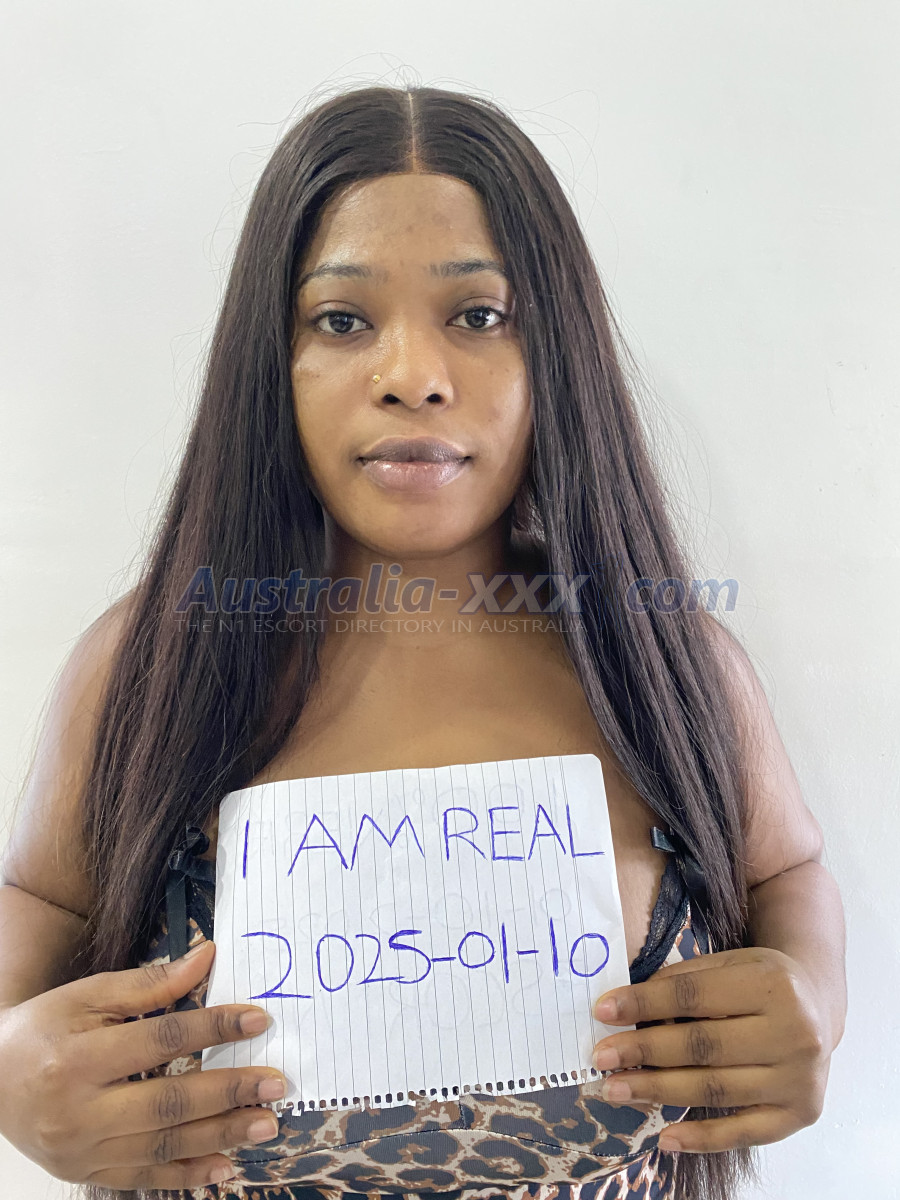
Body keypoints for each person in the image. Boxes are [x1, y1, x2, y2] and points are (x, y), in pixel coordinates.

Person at [0, 84, 846, 1200]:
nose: (412, 375)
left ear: (557, 350)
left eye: (479, 315)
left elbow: (786, 870)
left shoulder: (663, 664)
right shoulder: (151, 665)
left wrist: (815, 997)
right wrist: (8, 1069)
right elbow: (38, 903)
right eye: (342, 320)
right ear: (272, 358)